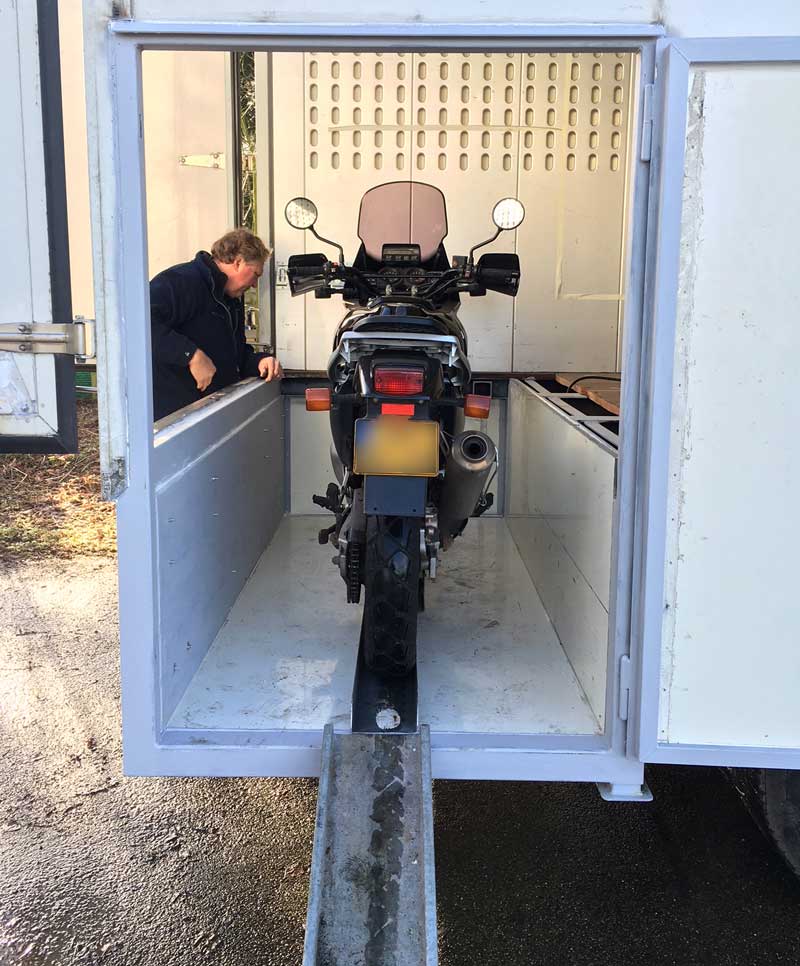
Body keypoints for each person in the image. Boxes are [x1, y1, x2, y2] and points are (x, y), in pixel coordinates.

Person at [149, 228, 283, 420]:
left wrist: (260, 361)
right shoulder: (180, 281)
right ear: (238, 262)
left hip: (210, 412)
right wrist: (190, 355)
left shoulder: (230, 300)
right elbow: (139, 325)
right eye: (255, 274)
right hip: (173, 418)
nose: (254, 284)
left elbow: (234, 355)